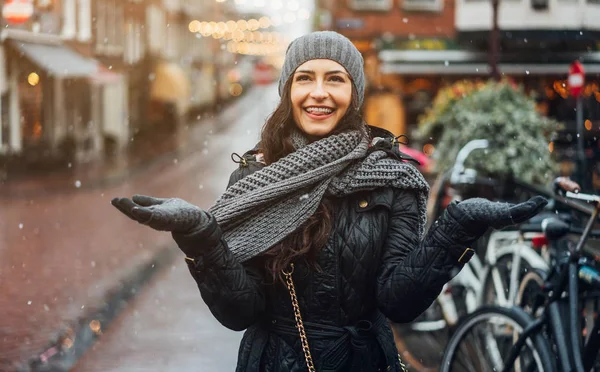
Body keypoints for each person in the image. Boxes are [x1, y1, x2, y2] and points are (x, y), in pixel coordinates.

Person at [111, 31, 548, 372]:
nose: (319, 93)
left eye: (335, 79)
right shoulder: (254, 176)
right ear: (288, 91)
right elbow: (239, 311)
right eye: (305, 78)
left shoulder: (394, 179)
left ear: (354, 94)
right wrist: (200, 237)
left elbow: (398, 301)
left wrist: (458, 228)